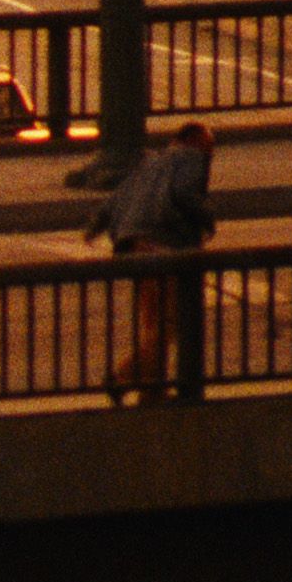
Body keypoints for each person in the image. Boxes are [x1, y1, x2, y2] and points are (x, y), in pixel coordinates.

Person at [89, 116, 215, 403]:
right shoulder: (192, 159)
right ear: (195, 142)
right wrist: (207, 220)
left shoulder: (149, 163)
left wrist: (95, 226)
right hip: (162, 247)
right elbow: (184, 195)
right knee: (168, 323)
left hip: (135, 248)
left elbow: (116, 198)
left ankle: (152, 390)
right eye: (209, 149)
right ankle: (121, 378)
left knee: (154, 321)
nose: (210, 156)